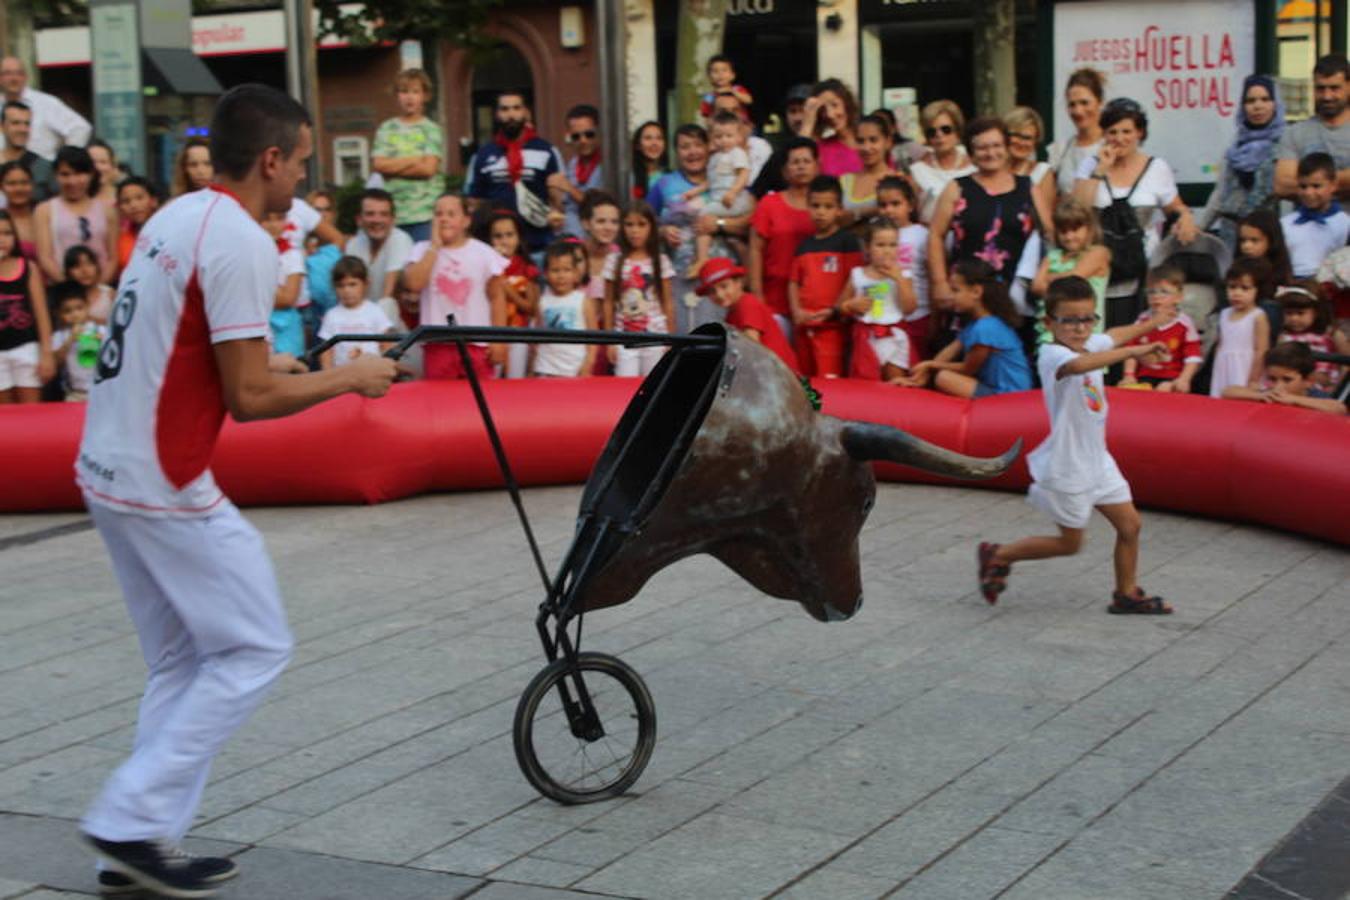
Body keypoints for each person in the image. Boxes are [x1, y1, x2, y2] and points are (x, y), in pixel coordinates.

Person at [76, 84, 397, 899]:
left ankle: (140, 841)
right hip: (161, 476)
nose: (304, 179)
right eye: (302, 162)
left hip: (106, 465)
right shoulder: (245, 242)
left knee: (183, 659)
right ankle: (128, 816)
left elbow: (203, 357)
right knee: (255, 646)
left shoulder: (175, 218)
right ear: (271, 160)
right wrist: (347, 377)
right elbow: (249, 401)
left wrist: (284, 363)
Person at [975, 275, 1173, 614]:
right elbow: (1080, 365)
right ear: (1049, 322)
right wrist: (1134, 352)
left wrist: (1155, 322)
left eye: (1087, 319)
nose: (1080, 328)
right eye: (1069, 320)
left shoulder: (1089, 343)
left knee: (1131, 525)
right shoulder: (1052, 354)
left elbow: (1112, 336)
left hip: (1099, 460)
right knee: (1070, 544)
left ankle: (1125, 594)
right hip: (1069, 465)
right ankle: (999, 554)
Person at [1073, 98, 1198, 329]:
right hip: (1100, 265)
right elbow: (1076, 210)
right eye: (1113, 132)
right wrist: (1100, 170)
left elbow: (1175, 207)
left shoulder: (1157, 167)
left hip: (1143, 265)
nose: (1120, 138)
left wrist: (1186, 217)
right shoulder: (1090, 165)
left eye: (1127, 131)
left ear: (1140, 132)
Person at [930, 117, 1048, 301]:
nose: (990, 153)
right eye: (982, 148)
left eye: (996, 145)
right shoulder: (957, 188)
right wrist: (940, 283)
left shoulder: (1028, 187)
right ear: (971, 153)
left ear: (1007, 147)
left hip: (1016, 296)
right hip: (966, 296)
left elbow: (1048, 234)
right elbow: (936, 235)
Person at [403, 192, 507, 379]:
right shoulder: (420, 250)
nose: (444, 219)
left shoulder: (484, 253)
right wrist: (434, 246)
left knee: (479, 400)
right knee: (440, 402)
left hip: (476, 343)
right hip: (438, 343)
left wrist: (498, 340)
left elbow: (497, 298)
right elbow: (414, 284)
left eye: (451, 214)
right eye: (438, 214)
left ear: (466, 221)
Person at [647, 124, 740, 331]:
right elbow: (642, 223)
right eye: (685, 147)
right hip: (680, 277)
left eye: (698, 145)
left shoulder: (728, 181)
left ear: (709, 147)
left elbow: (749, 222)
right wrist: (661, 232)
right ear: (676, 152)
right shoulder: (663, 184)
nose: (692, 152)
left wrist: (720, 224)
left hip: (723, 281)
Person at [901, 258, 1031, 397]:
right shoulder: (976, 324)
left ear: (976, 292)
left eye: (955, 290)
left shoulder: (986, 328)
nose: (950, 296)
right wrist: (919, 376)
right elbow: (947, 354)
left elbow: (967, 369)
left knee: (944, 378)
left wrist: (929, 365)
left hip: (1008, 394)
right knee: (942, 375)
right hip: (995, 389)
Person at [465, 91, 564, 255]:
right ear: (497, 114)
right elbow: (475, 201)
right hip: (497, 247)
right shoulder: (484, 154)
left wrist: (556, 214)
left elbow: (558, 200)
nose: (511, 115)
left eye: (516, 108)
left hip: (538, 244)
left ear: (526, 112)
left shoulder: (547, 151)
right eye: (504, 109)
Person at [1198, 75, 1285, 252]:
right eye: (1250, 100)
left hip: (1268, 236)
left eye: (1265, 99)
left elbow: (1286, 198)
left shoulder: (1286, 143)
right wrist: (1199, 228)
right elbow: (1220, 194)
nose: (1257, 106)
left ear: (1275, 103)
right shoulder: (1235, 146)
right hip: (1232, 234)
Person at [787, 175, 862, 378]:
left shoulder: (847, 241)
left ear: (839, 209)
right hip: (804, 326)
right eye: (815, 205)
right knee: (805, 382)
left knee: (830, 381)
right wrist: (796, 311)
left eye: (828, 207)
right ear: (808, 206)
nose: (821, 212)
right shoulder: (803, 246)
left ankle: (826, 410)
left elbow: (854, 279)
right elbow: (793, 282)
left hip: (833, 328)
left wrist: (835, 309)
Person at [749, 137, 819, 343]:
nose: (801, 167)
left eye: (806, 161)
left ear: (816, 166)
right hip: (774, 303)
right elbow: (755, 250)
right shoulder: (769, 204)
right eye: (795, 162)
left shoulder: (826, 206)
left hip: (815, 305)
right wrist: (757, 297)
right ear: (785, 170)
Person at [371, 69, 442, 244]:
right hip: (393, 215)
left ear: (424, 96)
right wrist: (414, 160)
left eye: (415, 92)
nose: (409, 98)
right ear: (397, 96)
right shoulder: (386, 129)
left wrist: (393, 166)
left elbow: (428, 169)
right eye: (404, 92)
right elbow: (379, 165)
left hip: (424, 214)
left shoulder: (431, 129)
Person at [838, 218, 913, 382]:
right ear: (867, 247)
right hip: (867, 337)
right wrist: (850, 305)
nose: (887, 251)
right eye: (880, 245)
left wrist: (900, 280)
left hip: (894, 336)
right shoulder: (858, 274)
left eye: (892, 245)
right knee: (866, 385)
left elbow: (909, 308)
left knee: (896, 384)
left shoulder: (904, 275)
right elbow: (839, 307)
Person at [603, 200, 673, 376]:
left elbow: (667, 302)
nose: (635, 230)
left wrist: (670, 339)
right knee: (625, 386)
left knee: (653, 385)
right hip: (624, 337)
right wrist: (609, 340)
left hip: (655, 336)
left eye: (641, 224)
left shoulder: (660, 261)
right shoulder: (614, 260)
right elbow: (608, 302)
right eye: (629, 225)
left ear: (651, 227)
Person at [696, 256, 798, 372]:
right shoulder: (732, 312)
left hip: (778, 375)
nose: (719, 294)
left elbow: (750, 348)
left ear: (739, 283)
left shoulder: (747, 304)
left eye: (724, 286)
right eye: (712, 291)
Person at [685, 110, 754, 277]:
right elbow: (711, 182)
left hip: (734, 200)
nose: (723, 140)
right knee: (731, 239)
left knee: (703, 215)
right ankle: (740, 264)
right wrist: (695, 191)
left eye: (728, 136)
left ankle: (702, 258)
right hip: (722, 200)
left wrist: (732, 192)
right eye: (718, 136)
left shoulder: (737, 154)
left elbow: (744, 175)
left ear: (738, 137)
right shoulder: (715, 158)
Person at [35, 145, 118, 284]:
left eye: (79, 174)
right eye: (65, 174)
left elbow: (112, 257)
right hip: (63, 294)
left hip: (102, 292)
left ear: (91, 174)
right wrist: (70, 289)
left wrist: (99, 288)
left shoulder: (107, 211)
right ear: (56, 175)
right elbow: (45, 257)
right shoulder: (45, 210)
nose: (72, 181)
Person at [1031, 198, 1110, 342]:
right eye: (1063, 231)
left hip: (1084, 328)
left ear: (1089, 228)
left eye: (1075, 230)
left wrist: (1049, 278)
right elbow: (1036, 286)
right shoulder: (1052, 256)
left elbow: (1073, 280)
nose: (1069, 237)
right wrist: (1060, 282)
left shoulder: (1098, 252)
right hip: (1055, 327)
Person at [1274, 54, 1350, 199]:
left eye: (1334, 88)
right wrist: (1341, 182)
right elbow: (1282, 185)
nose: (1327, 96)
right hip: (1308, 221)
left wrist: (1306, 183)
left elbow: (1292, 183)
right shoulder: (1295, 133)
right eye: (1320, 89)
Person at [476, 207, 539, 378]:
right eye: (498, 236)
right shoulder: (483, 267)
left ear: (519, 237)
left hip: (518, 335)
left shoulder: (527, 268)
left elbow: (531, 308)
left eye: (510, 235)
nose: (504, 241)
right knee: (491, 379)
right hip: (491, 334)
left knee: (515, 378)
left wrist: (504, 285)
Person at [1119, 264, 1202, 392]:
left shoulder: (1184, 324)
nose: (1156, 296)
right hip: (1145, 377)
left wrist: (1184, 379)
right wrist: (1129, 375)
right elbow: (1131, 350)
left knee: (1165, 390)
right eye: (1151, 291)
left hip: (1173, 378)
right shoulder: (1142, 321)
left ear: (1179, 297)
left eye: (1164, 292)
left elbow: (1193, 356)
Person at [876, 175, 930, 364]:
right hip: (885, 315)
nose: (889, 210)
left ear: (910, 205)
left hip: (918, 316)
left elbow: (932, 275)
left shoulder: (922, 235)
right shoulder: (874, 235)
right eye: (883, 205)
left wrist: (935, 317)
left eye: (895, 203)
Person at [0, 207, 52, 403]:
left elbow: (41, 314)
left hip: (26, 348)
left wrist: (46, 354)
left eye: (7, 233)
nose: (2, 239)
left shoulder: (27, 267)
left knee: (31, 411)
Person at [0, 56, 91, 160]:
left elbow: (80, 129)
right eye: (7, 73)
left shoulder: (46, 103)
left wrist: (64, 161)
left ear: (25, 77)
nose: (14, 78)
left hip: (40, 170)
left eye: (19, 73)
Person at [1222, 341, 1347, 414]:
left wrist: (1293, 399)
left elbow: (1339, 408)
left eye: (1287, 380)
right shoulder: (1269, 395)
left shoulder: (1315, 397)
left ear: (1309, 380)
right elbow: (1227, 392)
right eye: (1272, 379)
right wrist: (1259, 396)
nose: (1278, 386)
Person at [1209, 257, 1272, 397]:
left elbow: (1261, 350)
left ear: (1257, 290)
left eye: (1245, 288)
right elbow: (1220, 344)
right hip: (1224, 366)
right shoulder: (1224, 314)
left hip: (1245, 368)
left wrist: (1254, 379)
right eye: (1232, 287)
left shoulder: (1258, 316)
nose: (1237, 293)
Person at [317, 256, 395, 369]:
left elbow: (386, 345)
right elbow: (326, 351)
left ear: (366, 283)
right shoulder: (332, 315)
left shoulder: (375, 311)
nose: (346, 290)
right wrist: (327, 375)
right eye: (341, 286)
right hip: (341, 377)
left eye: (352, 284)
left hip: (372, 375)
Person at [1280, 152, 1349, 278]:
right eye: (1303, 186)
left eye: (1316, 186)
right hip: (1293, 287)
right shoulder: (1285, 224)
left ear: (1333, 185)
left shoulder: (1345, 224)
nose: (1308, 192)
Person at [533, 240, 596, 377]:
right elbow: (536, 338)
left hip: (575, 368)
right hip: (546, 368)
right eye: (555, 270)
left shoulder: (583, 301)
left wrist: (587, 364)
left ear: (576, 273)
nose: (561, 276)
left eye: (566, 270)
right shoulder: (542, 302)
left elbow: (594, 339)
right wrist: (532, 368)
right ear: (546, 273)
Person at [909, 99, 975, 223]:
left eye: (946, 129)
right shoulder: (917, 171)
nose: (939, 135)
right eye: (931, 132)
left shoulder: (975, 162)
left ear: (958, 130)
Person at [1046, 68, 1105, 199]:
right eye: (1072, 105)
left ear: (1100, 102)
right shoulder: (1060, 151)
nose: (1078, 111)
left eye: (1085, 103)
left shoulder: (1112, 147)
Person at [346, 188, 413, 302]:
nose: (377, 220)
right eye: (370, 214)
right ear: (359, 220)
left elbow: (389, 295)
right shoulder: (353, 245)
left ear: (393, 220)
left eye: (384, 214)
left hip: (392, 316)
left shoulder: (400, 240)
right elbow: (349, 290)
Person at [1274, 282, 1344, 389]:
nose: (1294, 318)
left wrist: (1339, 385)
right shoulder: (1283, 337)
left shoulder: (1330, 334)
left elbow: (1346, 360)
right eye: (1289, 313)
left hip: (1330, 388)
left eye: (1300, 313)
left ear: (1316, 312)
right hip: (1296, 387)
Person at [551, 104, 604, 238]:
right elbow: (567, 206)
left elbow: (600, 207)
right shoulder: (572, 164)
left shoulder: (610, 164)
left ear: (599, 132)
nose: (583, 140)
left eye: (589, 134)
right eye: (576, 136)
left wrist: (568, 188)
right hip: (571, 240)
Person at [48, 280, 103, 401]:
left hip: (102, 390)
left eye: (79, 308)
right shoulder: (59, 336)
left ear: (87, 306)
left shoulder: (100, 330)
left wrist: (102, 341)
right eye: (68, 311)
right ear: (59, 314)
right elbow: (56, 361)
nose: (75, 314)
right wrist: (70, 340)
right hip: (75, 393)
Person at [262, 209, 305, 357]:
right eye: (267, 219)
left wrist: (260, 288)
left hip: (286, 332)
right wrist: (278, 290)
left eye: (279, 218)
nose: (273, 225)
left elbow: (288, 298)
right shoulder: (250, 253)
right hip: (260, 328)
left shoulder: (292, 255)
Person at [838, 114, 895, 226]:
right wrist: (867, 212)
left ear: (887, 142)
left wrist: (853, 214)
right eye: (860, 141)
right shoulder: (844, 181)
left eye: (873, 140)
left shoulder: (896, 180)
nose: (866, 147)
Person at [802, 79, 862, 177]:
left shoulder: (871, 142)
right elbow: (799, 156)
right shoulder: (822, 148)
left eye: (835, 105)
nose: (830, 114)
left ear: (847, 104)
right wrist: (808, 121)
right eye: (823, 110)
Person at [1004, 105, 1056, 216]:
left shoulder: (1042, 172)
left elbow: (1045, 218)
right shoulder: (990, 169)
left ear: (1035, 142)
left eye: (1027, 138)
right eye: (1016, 135)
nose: (1021, 142)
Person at [0, 101, 52, 203]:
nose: (22, 129)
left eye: (27, 124)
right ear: (2, 126)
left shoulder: (44, 167)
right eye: (15, 123)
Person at [1236, 209, 1294, 286]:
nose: (1247, 246)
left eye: (1254, 240)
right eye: (1243, 240)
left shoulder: (1279, 274)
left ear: (1271, 241)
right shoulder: (1236, 270)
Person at [114, 176, 159, 273]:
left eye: (139, 198)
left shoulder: (168, 233)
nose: (133, 205)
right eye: (126, 201)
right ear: (120, 208)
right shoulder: (120, 239)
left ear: (153, 201)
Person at [64, 243, 114, 323]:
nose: (84, 270)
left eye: (89, 264)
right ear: (68, 272)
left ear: (97, 267)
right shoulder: (65, 299)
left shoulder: (109, 294)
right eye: (77, 266)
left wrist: (91, 320)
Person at [0, 161, 37, 260]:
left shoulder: (45, 215)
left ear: (33, 185)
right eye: (11, 184)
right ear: (1, 186)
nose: (19, 189)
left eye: (24, 183)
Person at [700, 55, 753, 122]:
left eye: (724, 70)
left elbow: (749, 101)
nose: (720, 74)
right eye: (715, 71)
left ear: (732, 75)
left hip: (740, 125)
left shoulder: (737, 89)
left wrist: (732, 91)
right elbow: (706, 114)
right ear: (710, 77)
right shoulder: (710, 96)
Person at [630, 121, 668, 200]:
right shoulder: (630, 176)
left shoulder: (669, 176)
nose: (654, 143)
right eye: (648, 138)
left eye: (659, 138)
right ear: (637, 145)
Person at [87, 138, 122, 208]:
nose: (97, 168)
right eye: (92, 162)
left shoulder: (124, 199)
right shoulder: (76, 201)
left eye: (103, 162)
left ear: (113, 165)